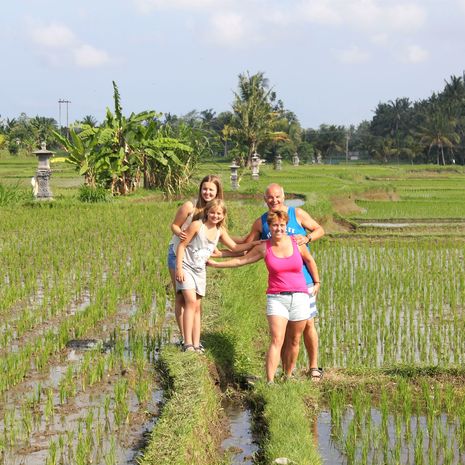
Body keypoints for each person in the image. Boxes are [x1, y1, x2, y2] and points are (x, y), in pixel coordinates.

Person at [208, 210, 320, 383]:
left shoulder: (297, 243)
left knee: (295, 340)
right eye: (275, 225)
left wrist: (317, 282)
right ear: (269, 227)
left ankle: (287, 377)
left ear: (286, 226)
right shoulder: (263, 247)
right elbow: (240, 260)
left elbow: (310, 260)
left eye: (282, 225)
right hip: (277, 298)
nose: (279, 229)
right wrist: (216, 263)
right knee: (277, 339)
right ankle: (269, 382)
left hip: (300, 296)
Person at [243, 183, 324, 380]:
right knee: (283, 334)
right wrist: (217, 238)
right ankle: (286, 372)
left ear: (283, 196)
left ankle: (314, 367)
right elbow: (246, 244)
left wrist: (308, 238)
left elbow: (319, 229)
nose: (274, 200)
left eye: (277, 196)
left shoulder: (297, 214)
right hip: (281, 283)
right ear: (265, 200)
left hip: (303, 280)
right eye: (270, 197)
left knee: (308, 325)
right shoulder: (262, 222)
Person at [176, 199, 260, 353]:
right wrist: (179, 268)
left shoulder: (220, 231)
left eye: (219, 213)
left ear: (223, 215)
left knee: (196, 306)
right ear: (207, 211)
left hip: (200, 270)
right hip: (186, 267)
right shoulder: (197, 225)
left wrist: (254, 244)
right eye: (212, 212)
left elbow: (235, 247)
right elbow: (181, 245)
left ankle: (196, 343)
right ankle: (187, 343)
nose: (215, 216)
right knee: (190, 301)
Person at [167, 175, 223, 345]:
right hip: (178, 254)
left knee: (194, 302)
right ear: (200, 189)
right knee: (181, 298)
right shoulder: (190, 207)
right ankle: (186, 340)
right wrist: (179, 233)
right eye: (204, 189)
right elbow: (174, 225)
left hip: (195, 259)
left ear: (217, 193)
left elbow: (213, 235)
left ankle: (192, 341)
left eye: (211, 190)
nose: (207, 192)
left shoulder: (215, 211)